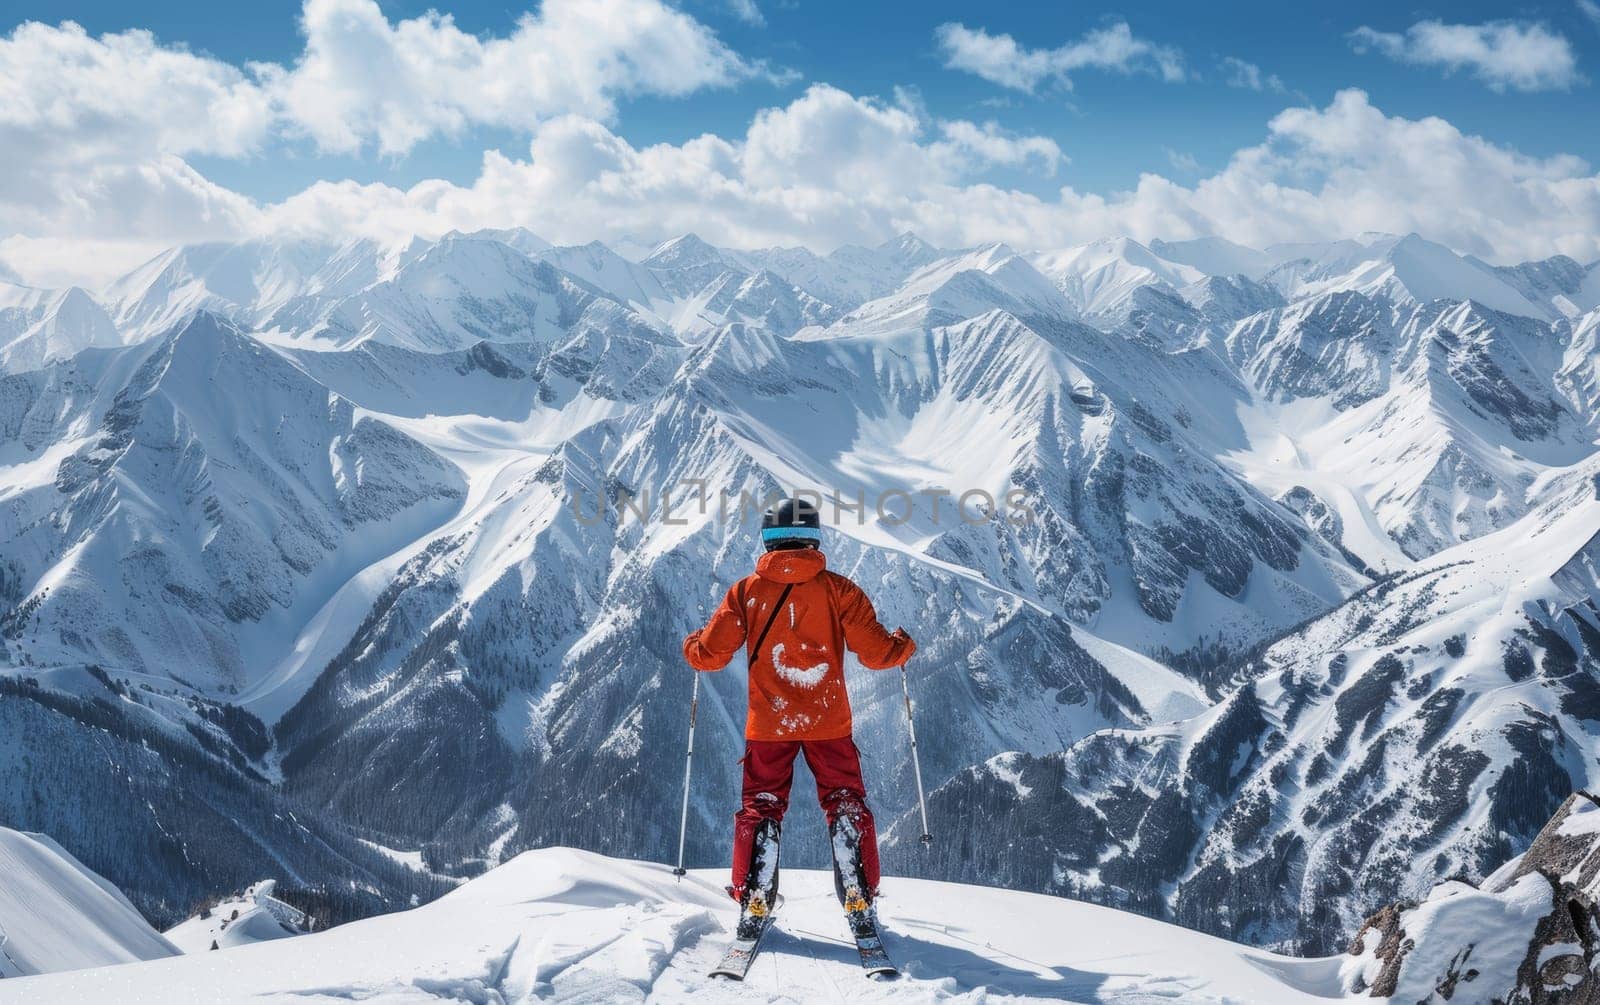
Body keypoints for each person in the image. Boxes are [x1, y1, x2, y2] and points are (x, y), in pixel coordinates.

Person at [683, 496, 916, 924]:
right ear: (814, 537)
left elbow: (710, 656)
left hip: (768, 724)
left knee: (762, 804)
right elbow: (878, 653)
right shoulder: (839, 590)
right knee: (845, 800)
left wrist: (692, 645)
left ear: (767, 540)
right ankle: (859, 891)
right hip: (829, 721)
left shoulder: (745, 593)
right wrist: (903, 645)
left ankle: (753, 891)